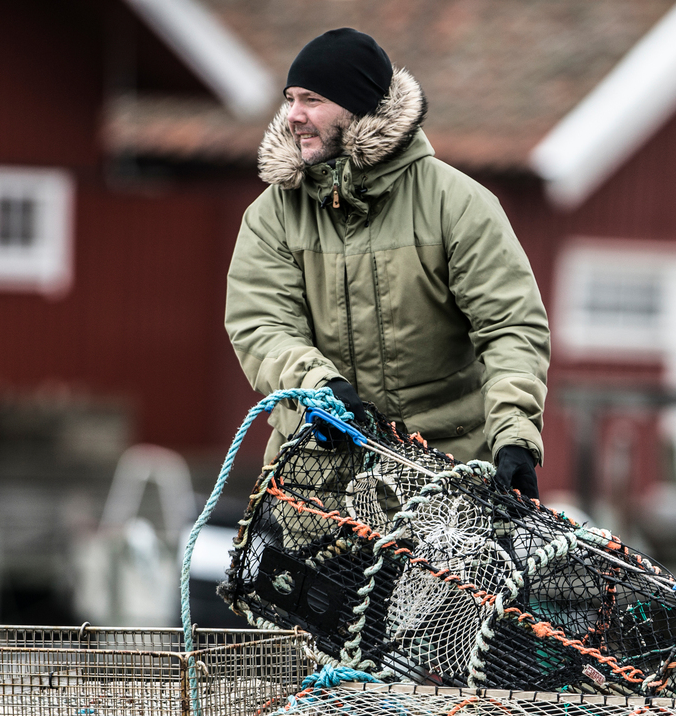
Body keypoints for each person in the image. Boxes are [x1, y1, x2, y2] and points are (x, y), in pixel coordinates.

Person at [225, 27, 551, 499]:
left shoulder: (457, 205)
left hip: (448, 482)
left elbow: (510, 326)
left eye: (311, 99)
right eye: (290, 98)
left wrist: (515, 434)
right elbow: (262, 325)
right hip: (317, 477)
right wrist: (319, 387)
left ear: (358, 106)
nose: (293, 115)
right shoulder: (271, 215)